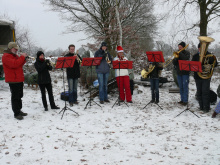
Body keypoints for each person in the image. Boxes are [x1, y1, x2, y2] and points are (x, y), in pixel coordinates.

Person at [2, 42, 28, 120]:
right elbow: (14, 64)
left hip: (19, 79)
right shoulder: (6, 56)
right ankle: (16, 113)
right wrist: (22, 57)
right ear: (10, 48)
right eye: (15, 48)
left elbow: (19, 64)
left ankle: (19, 110)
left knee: (20, 96)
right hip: (13, 80)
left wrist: (24, 59)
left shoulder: (14, 55)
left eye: (17, 48)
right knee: (15, 97)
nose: (16, 50)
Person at [192, 43, 217, 113]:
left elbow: (215, 63)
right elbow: (192, 66)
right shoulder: (195, 56)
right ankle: (201, 106)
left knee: (205, 92)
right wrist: (199, 67)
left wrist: (209, 66)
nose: (201, 50)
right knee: (199, 92)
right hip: (197, 77)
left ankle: (206, 108)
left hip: (206, 77)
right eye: (200, 48)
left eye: (202, 48)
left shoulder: (210, 56)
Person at [173, 41, 190, 106]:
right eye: (178, 47)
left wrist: (180, 53)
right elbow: (174, 63)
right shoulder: (177, 53)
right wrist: (176, 58)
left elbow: (186, 58)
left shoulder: (187, 53)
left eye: (180, 47)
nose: (179, 48)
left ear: (183, 47)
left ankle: (185, 101)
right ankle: (182, 99)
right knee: (181, 87)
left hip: (185, 72)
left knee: (185, 87)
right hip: (179, 72)